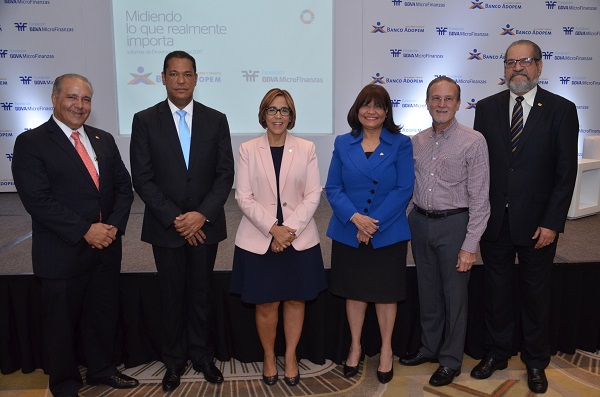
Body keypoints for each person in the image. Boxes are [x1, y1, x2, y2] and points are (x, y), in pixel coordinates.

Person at [11, 74, 137, 397]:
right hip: (62, 253)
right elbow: (38, 201)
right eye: (72, 97)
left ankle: (102, 370)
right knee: (61, 327)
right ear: (54, 99)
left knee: (102, 316)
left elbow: (124, 187)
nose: (79, 106)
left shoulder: (103, 139)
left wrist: (113, 227)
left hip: (106, 248)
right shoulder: (31, 143)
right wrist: (85, 230)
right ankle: (65, 384)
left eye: (86, 100)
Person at [470, 39, 579, 394]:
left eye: (525, 61)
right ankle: (497, 353)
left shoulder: (562, 109)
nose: (517, 68)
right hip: (495, 223)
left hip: (538, 226)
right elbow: (481, 167)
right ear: (503, 69)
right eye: (510, 62)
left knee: (536, 296)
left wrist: (552, 222)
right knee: (495, 292)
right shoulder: (485, 108)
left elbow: (566, 172)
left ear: (539, 66)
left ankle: (535, 361)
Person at [130, 50, 235, 391]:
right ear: (163, 78)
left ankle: (202, 356)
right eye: (173, 74)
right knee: (172, 296)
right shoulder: (144, 120)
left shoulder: (216, 119)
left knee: (202, 293)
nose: (180, 80)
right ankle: (173, 361)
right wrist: (179, 220)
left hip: (206, 226)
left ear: (196, 78)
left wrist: (201, 216)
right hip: (167, 227)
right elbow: (142, 178)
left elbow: (224, 174)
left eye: (187, 74)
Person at [230, 88, 327, 387]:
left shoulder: (307, 148)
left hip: (298, 239)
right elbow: (243, 197)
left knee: (296, 301)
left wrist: (288, 231)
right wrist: (273, 228)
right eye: (272, 110)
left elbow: (313, 194)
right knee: (266, 303)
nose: (278, 116)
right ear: (263, 114)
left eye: (284, 110)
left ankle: (292, 355)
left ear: (291, 115)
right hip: (259, 239)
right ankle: (270, 356)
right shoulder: (248, 149)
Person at [400, 76, 490, 387]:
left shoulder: (474, 141)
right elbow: (411, 191)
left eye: (448, 99)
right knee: (428, 292)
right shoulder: (417, 141)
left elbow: (480, 198)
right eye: (436, 98)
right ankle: (429, 348)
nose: (441, 104)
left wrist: (470, 245)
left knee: (455, 297)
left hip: (455, 225)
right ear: (426, 102)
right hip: (420, 224)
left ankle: (451, 360)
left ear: (458, 103)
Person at [325, 84, 414, 384]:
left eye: (378, 106)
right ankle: (355, 346)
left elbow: (404, 189)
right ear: (357, 110)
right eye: (366, 105)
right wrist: (355, 219)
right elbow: (334, 188)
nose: (371, 111)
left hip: (386, 231)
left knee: (386, 294)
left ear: (387, 111)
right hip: (349, 229)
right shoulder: (342, 143)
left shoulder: (401, 143)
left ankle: (387, 350)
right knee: (355, 292)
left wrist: (371, 224)